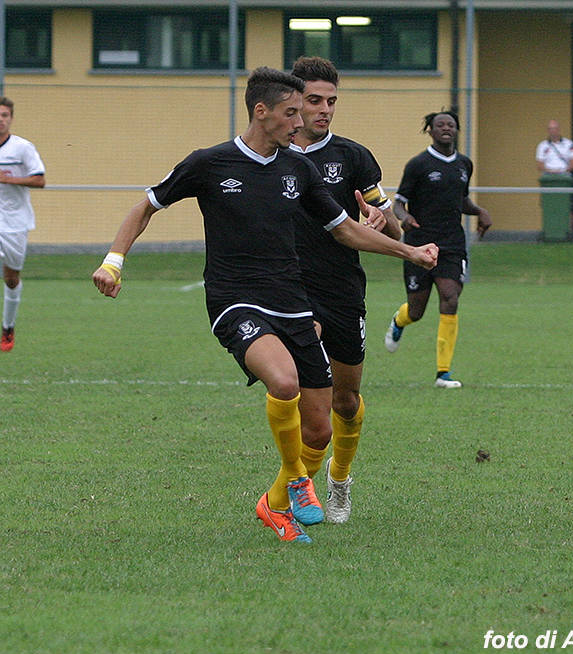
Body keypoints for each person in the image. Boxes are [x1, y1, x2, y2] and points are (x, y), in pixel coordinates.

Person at [92, 67, 438, 544]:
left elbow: (344, 228)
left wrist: (411, 250)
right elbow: (147, 205)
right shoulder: (209, 163)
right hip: (235, 300)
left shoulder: (299, 170)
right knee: (283, 379)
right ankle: (298, 483)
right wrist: (114, 262)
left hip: (292, 301)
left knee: (320, 429)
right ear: (263, 111)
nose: (301, 122)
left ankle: (273, 504)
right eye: (293, 112)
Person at [288, 56, 403, 524]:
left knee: (345, 400)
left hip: (342, 290)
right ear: (293, 102)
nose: (324, 110)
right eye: (314, 101)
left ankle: (340, 481)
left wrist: (381, 221)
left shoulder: (353, 157)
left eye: (331, 101)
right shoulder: (273, 154)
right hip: (290, 290)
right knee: (301, 392)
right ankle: (297, 489)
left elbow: (392, 229)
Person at [384, 110, 492, 388]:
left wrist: (480, 211)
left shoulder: (464, 165)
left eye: (451, 125)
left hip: (452, 244)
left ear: (457, 130)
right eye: (440, 125)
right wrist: (405, 217)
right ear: (430, 131)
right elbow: (399, 203)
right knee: (417, 310)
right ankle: (399, 321)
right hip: (420, 244)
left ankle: (443, 373)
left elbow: (462, 200)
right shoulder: (418, 165)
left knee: (450, 297)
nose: (446, 128)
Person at [0, 96, 46, 352]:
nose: (0, 119)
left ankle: (8, 326)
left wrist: (9, 180)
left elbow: (40, 180)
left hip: (15, 222)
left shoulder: (22, 148)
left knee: (11, 277)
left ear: (11, 118)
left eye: (4, 115)